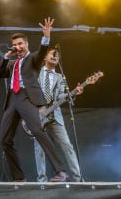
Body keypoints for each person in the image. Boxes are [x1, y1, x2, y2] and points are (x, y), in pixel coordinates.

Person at [0, 17, 67, 182]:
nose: (18, 47)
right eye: (15, 44)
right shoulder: (12, 63)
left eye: (20, 43)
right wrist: (6, 57)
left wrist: (46, 37)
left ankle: (61, 172)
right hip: (12, 99)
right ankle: (19, 177)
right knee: (5, 140)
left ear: (26, 44)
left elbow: (42, 52)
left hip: (26, 97)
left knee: (37, 131)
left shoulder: (33, 59)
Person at [33, 48, 84, 182]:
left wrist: (74, 92)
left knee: (67, 146)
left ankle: (78, 179)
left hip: (55, 115)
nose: (55, 56)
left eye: (57, 55)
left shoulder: (60, 77)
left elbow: (61, 96)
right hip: (38, 114)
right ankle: (42, 180)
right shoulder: (36, 73)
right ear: (44, 57)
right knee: (40, 149)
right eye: (52, 53)